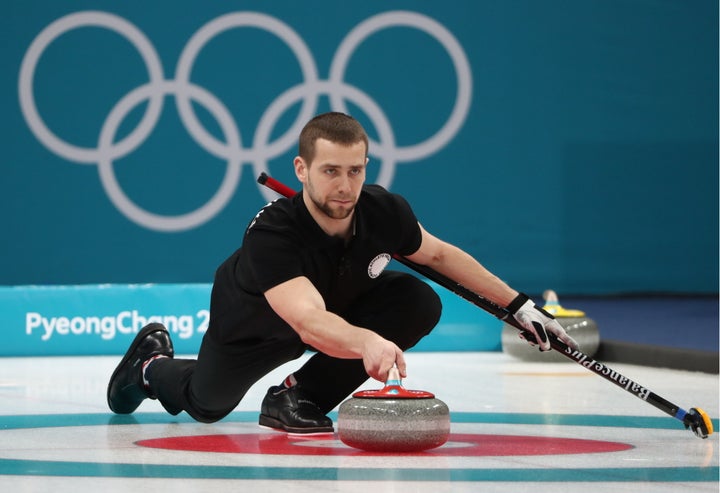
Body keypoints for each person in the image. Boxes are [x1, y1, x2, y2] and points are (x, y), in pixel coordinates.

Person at [107, 112, 578, 433]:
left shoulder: (382, 210)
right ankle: (149, 366)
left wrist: (518, 306)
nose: (345, 185)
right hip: (259, 326)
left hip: (339, 305)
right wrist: (366, 342)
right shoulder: (273, 234)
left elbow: (437, 256)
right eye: (330, 170)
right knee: (207, 405)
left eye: (355, 171)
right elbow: (307, 321)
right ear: (302, 169)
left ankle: (297, 397)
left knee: (418, 300)